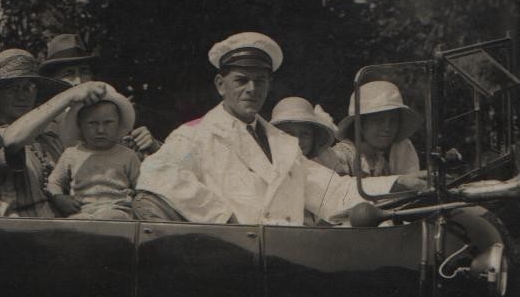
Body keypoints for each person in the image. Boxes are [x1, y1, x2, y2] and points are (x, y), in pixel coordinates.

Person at [138, 32, 424, 225]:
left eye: (260, 81)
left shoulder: (284, 144)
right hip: (228, 261)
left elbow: (332, 191)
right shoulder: (195, 136)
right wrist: (225, 219)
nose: (252, 89)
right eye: (241, 80)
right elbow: (157, 175)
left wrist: (399, 184)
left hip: (284, 263)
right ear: (220, 85)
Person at [0, 48, 72, 218]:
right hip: (13, 232)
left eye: (29, 87)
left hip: (60, 232)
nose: (22, 96)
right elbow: (13, 139)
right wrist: (70, 96)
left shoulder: (50, 141)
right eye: (12, 88)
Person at [38, 32, 160, 154]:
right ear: (54, 81)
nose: (79, 81)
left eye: (84, 71)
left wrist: (153, 148)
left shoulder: (110, 113)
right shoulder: (44, 126)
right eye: (68, 74)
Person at [46, 89, 141, 220]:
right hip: (82, 211)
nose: (100, 130)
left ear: (119, 124)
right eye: (92, 123)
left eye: (108, 123)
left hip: (117, 210)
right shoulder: (72, 154)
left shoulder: (128, 155)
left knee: (111, 217)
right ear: (80, 126)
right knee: (72, 224)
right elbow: (54, 182)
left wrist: (134, 197)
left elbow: (141, 186)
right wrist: (60, 198)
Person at [333, 80, 422, 177]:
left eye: (393, 120)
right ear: (359, 123)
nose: (387, 127)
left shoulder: (381, 163)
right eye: (378, 120)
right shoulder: (340, 158)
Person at [271, 96, 346, 173]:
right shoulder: (268, 168)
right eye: (289, 133)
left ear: (314, 138)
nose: (298, 140)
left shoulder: (324, 167)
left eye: (305, 134)